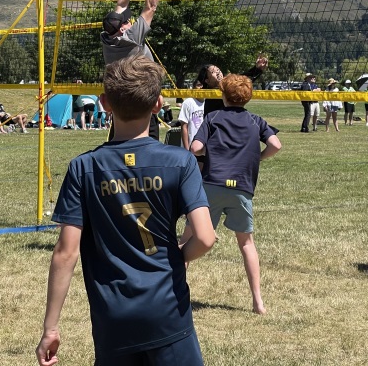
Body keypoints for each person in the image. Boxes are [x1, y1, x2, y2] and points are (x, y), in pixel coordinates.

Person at [36, 56, 216, 366]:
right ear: (158, 103)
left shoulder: (84, 168)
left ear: (104, 103)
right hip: (168, 311)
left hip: (113, 316)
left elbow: (66, 253)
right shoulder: (180, 162)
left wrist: (50, 328)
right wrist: (179, 256)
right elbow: (205, 237)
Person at [190, 74, 281, 314]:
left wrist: (213, 153)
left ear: (222, 95)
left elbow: (195, 148)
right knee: (247, 244)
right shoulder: (256, 120)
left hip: (212, 184)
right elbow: (276, 145)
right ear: (247, 97)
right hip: (241, 187)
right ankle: (258, 302)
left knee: (189, 239)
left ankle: (174, 291)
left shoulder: (213, 116)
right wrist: (258, 157)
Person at [101, 0, 171, 141]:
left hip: (120, 104)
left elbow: (121, 4)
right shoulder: (131, 37)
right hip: (141, 99)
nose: (131, 21)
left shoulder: (107, 38)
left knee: (118, 145)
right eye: (128, 21)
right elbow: (151, 6)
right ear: (123, 27)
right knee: (147, 146)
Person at [196, 55, 268, 117]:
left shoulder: (227, 86)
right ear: (207, 81)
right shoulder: (209, 96)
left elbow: (242, 79)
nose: (218, 72)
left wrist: (258, 69)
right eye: (213, 72)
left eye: (218, 70)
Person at [178, 80, 205, 150]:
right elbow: (184, 127)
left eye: (203, 85)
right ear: (193, 87)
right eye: (198, 85)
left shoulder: (209, 103)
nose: (201, 87)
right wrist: (187, 150)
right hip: (190, 147)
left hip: (203, 148)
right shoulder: (188, 102)